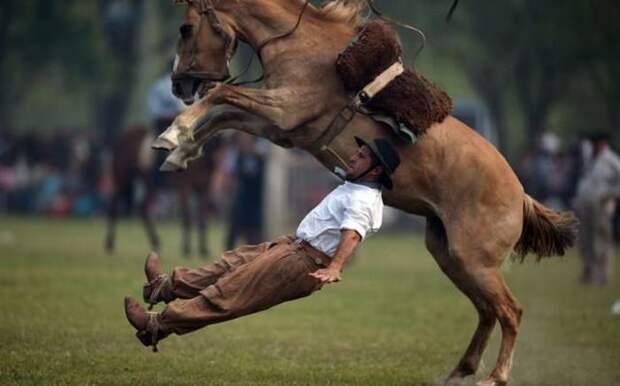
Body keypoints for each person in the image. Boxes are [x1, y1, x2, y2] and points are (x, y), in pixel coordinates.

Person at [124, 137, 401, 351]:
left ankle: (156, 325)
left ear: (375, 171)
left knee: (228, 293)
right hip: (292, 248)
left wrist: (336, 267)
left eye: (362, 156)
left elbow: (352, 233)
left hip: (304, 262)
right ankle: (163, 288)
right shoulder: (356, 186)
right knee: (227, 265)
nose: (354, 156)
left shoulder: (364, 200)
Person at [573, 132, 620, 285]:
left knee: (601, 240)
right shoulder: (591, 160)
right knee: (586, 241)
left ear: (602, 143)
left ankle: (602, 275)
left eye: (595, 143)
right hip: (586, 206)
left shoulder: (611, 159)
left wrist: (611, 194)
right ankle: (588, 272)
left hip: (602, 204)